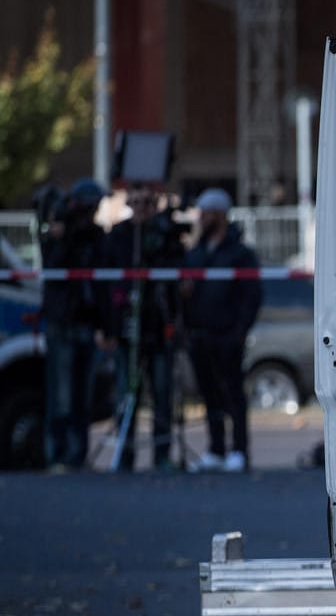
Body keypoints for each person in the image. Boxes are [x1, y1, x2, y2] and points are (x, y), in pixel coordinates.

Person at [102, 186, 187, 471]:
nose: (142, 208)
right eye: (136, 202)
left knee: (162, 394)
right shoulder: (118, 237)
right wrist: (109, 328)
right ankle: (125, 455)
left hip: (158, 326)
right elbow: (107, 283)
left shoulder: (163, 236)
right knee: (128, 394)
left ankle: (162, 454)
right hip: (128, 330)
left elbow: (178, 276)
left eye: (148, 203)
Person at [181, 189, 262, 473]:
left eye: (205, 214)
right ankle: (216, 448)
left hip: (227, 335)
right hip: (200, 334)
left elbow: (251, 296)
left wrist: (239, 331)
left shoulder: (239, 253)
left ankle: (239, 450)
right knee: (209, 395)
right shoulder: (196, 252)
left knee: (233, 394)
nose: (201, 220)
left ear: (219, 215)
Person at [39, 179, 109, 472]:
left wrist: (104, 324)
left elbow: (103, 281)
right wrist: (62, 236)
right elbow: (53, 269)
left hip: (86, 323)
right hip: (62, 323)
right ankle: (57, 454)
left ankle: (78, 455)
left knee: (82, 394)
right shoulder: (58, 235)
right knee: (62, 394)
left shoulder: (95, 236)